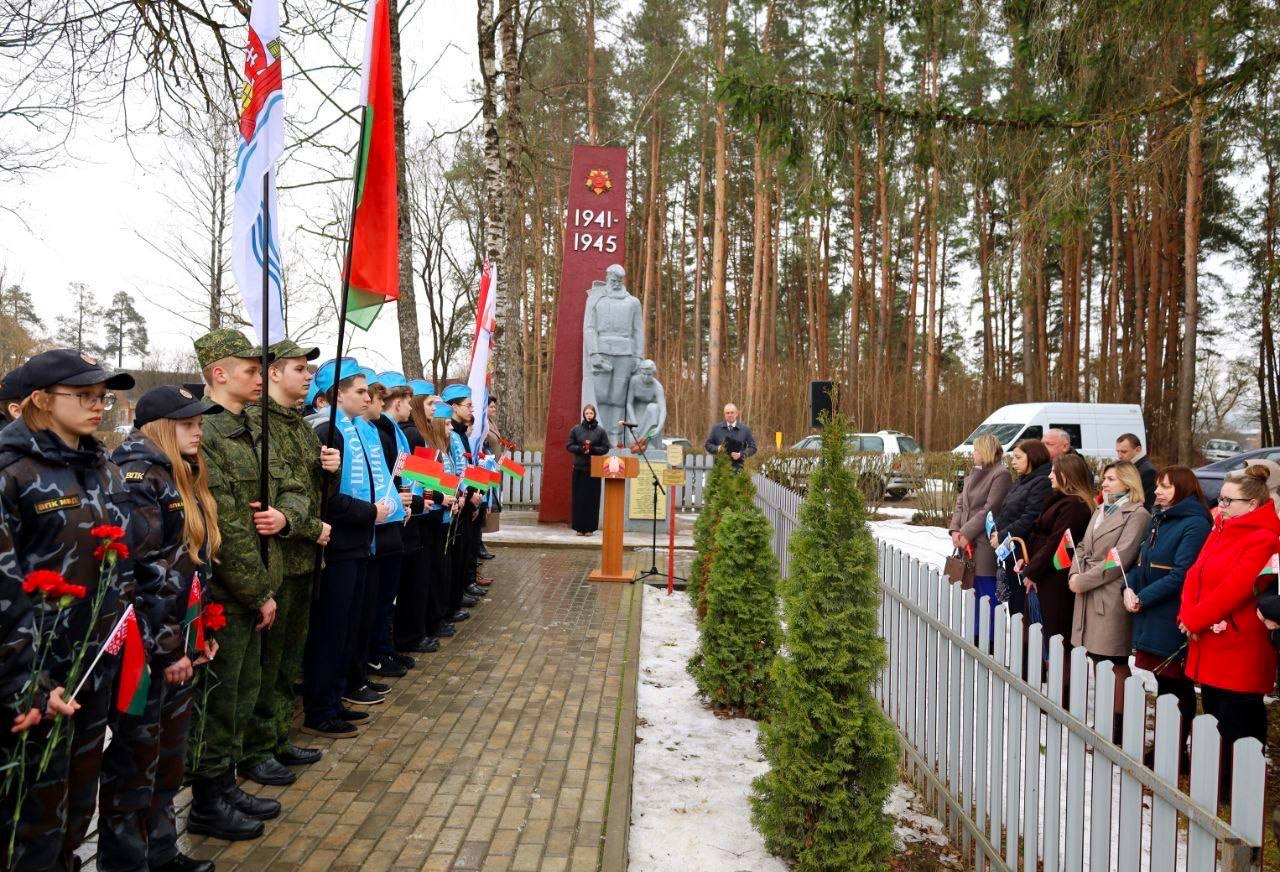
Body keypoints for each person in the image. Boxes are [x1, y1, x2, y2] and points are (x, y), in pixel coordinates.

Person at [0, 348, 132, 869]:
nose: (99, 405)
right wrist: (22, 683)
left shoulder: (99, 465)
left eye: (103, 396)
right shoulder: (11, 471)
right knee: (29, 817)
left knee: (76, 805)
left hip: (92, 665)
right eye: (84, 396)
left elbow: (119, 563)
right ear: (39, 401)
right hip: (37, 677)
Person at [99, 385, 225, 871]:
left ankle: (160, 851)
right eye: (188, 423)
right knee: (136, 758)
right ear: (159, 427)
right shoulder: (138, 476)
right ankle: (126, 861)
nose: (199, 430)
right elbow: (143, 571)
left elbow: (189, 566)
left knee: (167, 755)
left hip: (177, 637)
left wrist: (199, 632)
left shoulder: (180, 472)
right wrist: (170, 648)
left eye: (200, 422)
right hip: (145, 649)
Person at [187, 329, 297, 838]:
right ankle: (208, 800)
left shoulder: (247, 428)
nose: (259, 377)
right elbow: (227, 528)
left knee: (241, 691)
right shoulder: (207, 435)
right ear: (219, 374)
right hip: (229, 592)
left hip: (255, 585)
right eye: (251, 370)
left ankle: (226, 784)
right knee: (220, 699)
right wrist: (258, 592)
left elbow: (267, 504)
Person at [240, 339, 337, 788]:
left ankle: (279, 735)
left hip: (304, 559)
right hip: (277, 558)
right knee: (267, 661)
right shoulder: (259, 426)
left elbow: (311, 493)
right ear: (274, 372)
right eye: (299, 368)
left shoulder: (298, 426)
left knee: (287, 661)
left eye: (308, 369)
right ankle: (257, 747)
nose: (308, 376)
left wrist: (328, 473)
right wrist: (307, 526)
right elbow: (270, 501)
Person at [1178, 465, 1280, 796]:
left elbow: (1237, 588)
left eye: (1227, 500)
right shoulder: (1221, 527)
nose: (1220, 507)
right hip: (1208, 634)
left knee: (1238, 714)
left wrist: (1195, 618)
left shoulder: (1264, 538)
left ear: (1252, 504)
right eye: (1220, 499)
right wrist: (1187, 614)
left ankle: (1239, 786)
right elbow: (1195, 573)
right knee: (1214, 708)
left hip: (1239, 641)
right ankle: (1217, 777)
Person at [305, 360, 387, 737]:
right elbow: (329, 500)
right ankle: (320, 710)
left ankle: (334, 701)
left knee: (346, 630)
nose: (367, 397)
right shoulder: (328, 430)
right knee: (331, 632)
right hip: (337, 545)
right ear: (336, 394)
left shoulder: (353, 429)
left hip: (356, 543)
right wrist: (371, 512)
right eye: (359, 391)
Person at [1123, 465, 1212, 774]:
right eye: (1158, 485)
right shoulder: (1159, 518)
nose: (1157, 491)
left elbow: (1182, 573)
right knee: (1163, 681)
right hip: (1150, 608)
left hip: (1170, 612)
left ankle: (1175, 752)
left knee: (1176, 682)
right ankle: (1164, 744)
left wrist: (1144, 597)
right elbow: (1141, 560)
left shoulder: (1195, 524)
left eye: (1165, 486)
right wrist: (1129, 587)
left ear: (1183, 490)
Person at [1068, 460, 1151, 739]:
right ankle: (1103, 717)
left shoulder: (1136, 514)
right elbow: (1081, 546)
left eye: (1112, 479)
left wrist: (1084, 580)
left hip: (1110, 594)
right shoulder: (1102, 508)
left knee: (1112, 659)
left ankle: (1117, 725)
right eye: (1104, 478)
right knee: (1095, 657)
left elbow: (1120, 559)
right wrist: (1073, 573)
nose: (1104, 483)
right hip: (1087, 590)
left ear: (1128, 483)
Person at [364, 372, 418, 680]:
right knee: (380, 596)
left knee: (387, 595)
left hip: (395, 517)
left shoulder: (386, 431)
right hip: (380, 523)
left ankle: (382, 649)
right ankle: (376, 653)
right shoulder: (376, 432)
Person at [1020, 454, 1096, 646]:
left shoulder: (1074, 505)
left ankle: (1054, 673)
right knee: (1038, 630)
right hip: (1043, 570)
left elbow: (1058, 542)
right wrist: (1025, 559)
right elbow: (1038, 534)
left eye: (1055, 472)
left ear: (1068, 475)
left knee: (1052, 633)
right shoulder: (1060, 499)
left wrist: (1034, 572)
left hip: (1054, 576)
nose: (1050, 476)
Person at [949, 433, 1012, 630]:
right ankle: (976, 631)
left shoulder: (1000, 474)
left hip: (983, 541)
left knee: (986, 588)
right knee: (972, 588)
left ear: (985, 451)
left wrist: (966, 532)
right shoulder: (973, 474)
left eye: (975, 450)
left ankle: (990, 635)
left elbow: (990, 508)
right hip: (966, 541)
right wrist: (955, 531)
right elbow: (961, 504)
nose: (972, 453)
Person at [988, 438, 1052, 616]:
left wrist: (1002, 536)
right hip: (1011, 550)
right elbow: (1008, 510)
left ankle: (1024, 644)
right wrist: (997, 532)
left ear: (1033, 457)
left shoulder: (1041, 482)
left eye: (1018, 457)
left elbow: (1030, 517)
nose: (1013, 461)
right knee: (1015, 606)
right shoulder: (1023, 480)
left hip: (1024, 552)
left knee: (1022, 609)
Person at [443, 384, 483, 621]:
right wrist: (466, 494)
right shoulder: (453, 436)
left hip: (466, 497)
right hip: (457, 499)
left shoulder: (461, 435)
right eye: (468, 405)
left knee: (465, 549)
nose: (471, 410)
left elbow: (467, 467)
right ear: (454, 407)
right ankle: (453, 600)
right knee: (457, 553)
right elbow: (455, 469)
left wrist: (475, 492)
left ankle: (458, 595)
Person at [567, 405, 612, 536]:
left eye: (591, 413)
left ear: (594, 414)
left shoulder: (600, 431)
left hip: (594, 470)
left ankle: (590, 528)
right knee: (579, 499)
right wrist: (580, 448)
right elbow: (569, 446)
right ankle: (579, 528)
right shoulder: (576, 430)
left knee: (592, 499)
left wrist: (593, 450)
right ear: (583, 414)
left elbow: (605, 448)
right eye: (587, 413)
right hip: (579, 469)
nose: (589, 415)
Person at [704, 403, 757, 470]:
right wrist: (718, 448)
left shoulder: (745, 429)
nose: (730, 415)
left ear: (736, 414)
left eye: (732, 412)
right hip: (720, 469)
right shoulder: (716, 429)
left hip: (739, 469)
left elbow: (753, 447)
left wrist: (741, 454)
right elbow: (707, 444)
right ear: (724, 415)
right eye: (727, 413)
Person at [1115, 433, 1157, 510]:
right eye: (1118, 451)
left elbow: (1147, 504)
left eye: (1124, 452)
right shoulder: (1131, 466)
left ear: (1138, 449)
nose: (1119, 456)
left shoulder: (1148, 471)